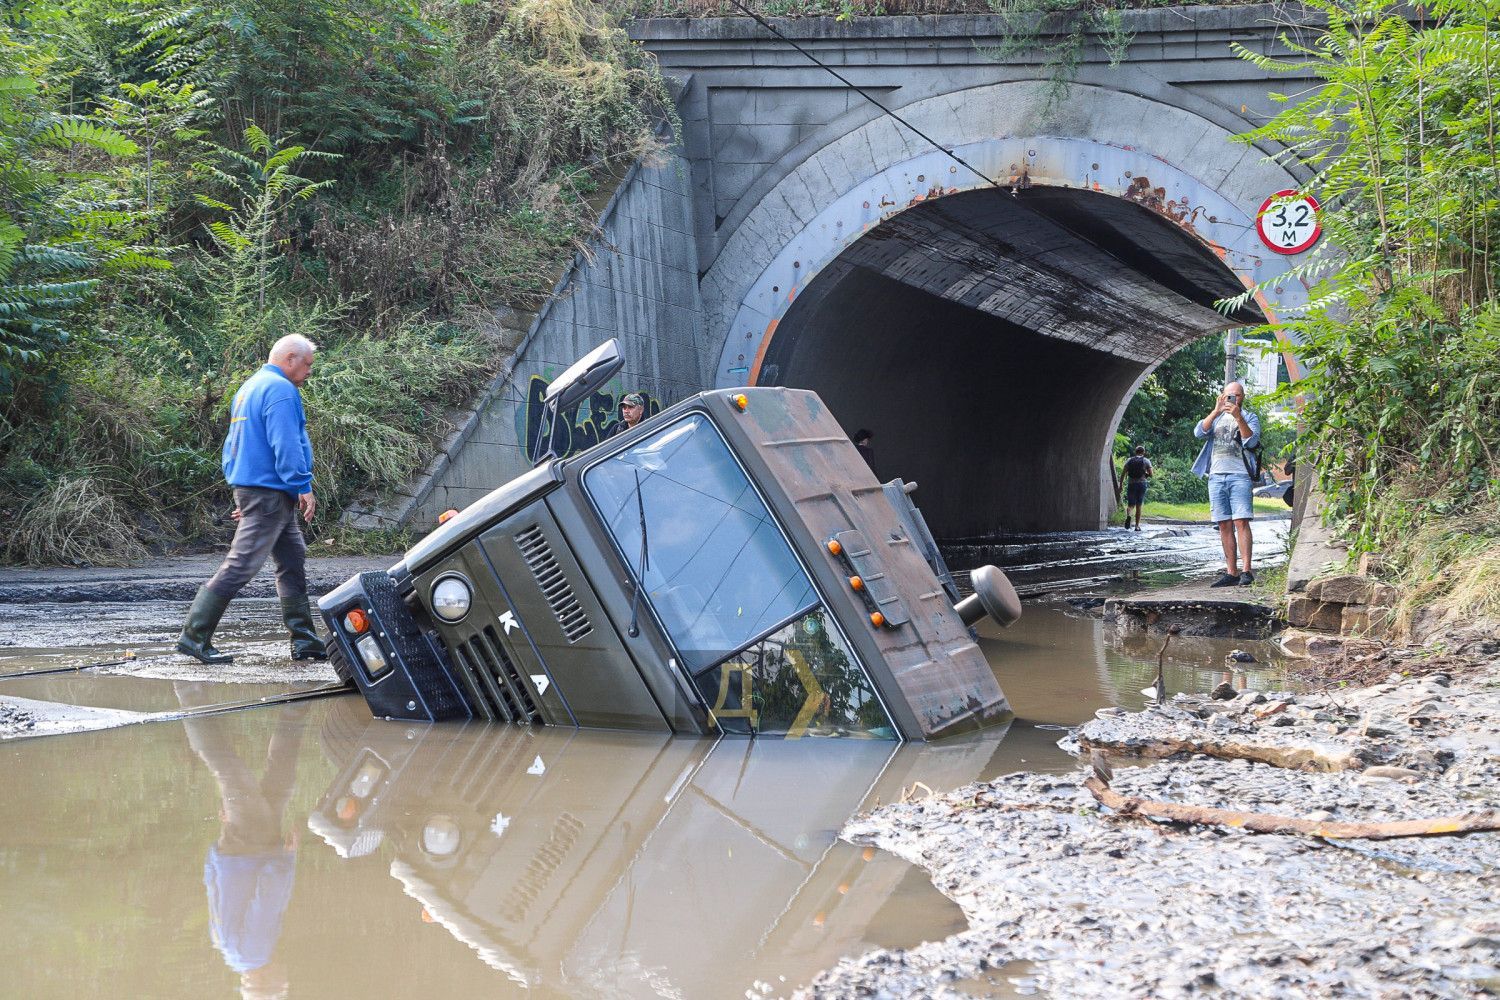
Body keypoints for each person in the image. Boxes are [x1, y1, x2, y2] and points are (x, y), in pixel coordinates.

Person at [176, 334, 327, 664]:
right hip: (271, 492)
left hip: (260, 490)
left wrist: (242, 489)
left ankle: (304, 640)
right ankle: (194, 636)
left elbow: (234, 445)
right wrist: (302, 485)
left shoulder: (249, 388)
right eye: (307, 365)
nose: (309, 372)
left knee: (292, 557)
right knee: (242, 563)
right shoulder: (282, 391)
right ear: (289, 358)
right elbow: (286, 445)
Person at [1192, 380, 1262, 587]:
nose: (1231, 399)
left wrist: (1238, 417)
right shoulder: (1216, 417)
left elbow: (1252, 441)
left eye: (1236, 396)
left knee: (1241, 521)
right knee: (1223, 524)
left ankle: (1246, 571)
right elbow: (1199, 432)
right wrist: (1215, 411)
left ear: (1242, 398)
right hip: (1216, 476)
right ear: (1222, 396)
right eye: (1228, 395)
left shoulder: (1249, 417)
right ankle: (1231, 572)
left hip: (1239, 475)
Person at [1122, 445, 1153, 531]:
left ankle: (1128, 515)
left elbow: (1123, 473)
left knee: (1131, 505)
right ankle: (1137, 526)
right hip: (1142, 484)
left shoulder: (1129, 460)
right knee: (1139, 506)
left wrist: (1120, 484)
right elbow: (1151, 474)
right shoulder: (1146, 461)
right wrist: (1145, 475)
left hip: (1131, 484)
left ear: (1135, 452)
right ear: (1143, 452)